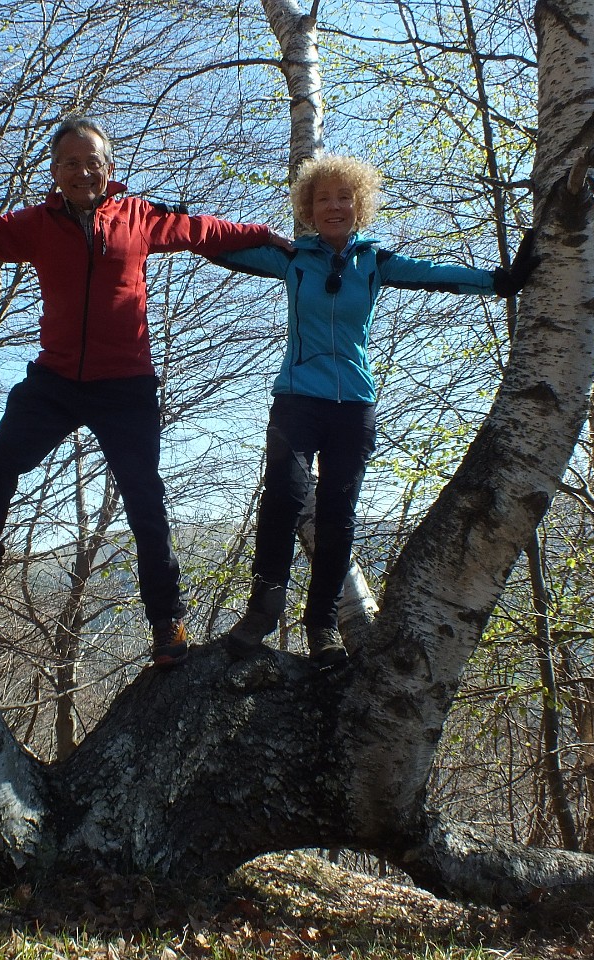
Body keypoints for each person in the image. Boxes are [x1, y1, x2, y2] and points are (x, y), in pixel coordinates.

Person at [0, 107, 292, 668]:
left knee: (145, 501)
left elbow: (204, 230)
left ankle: (167, 624)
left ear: (108, 167)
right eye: (68, 163)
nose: (80, 172)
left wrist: (263, 235)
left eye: (91, 161)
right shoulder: (36, 225)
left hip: (126, 385)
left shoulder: (139, 217)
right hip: (56, 379)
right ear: (54, 172)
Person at [212, 154, 537, 668]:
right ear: (309, 208)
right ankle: (264, 605)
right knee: (284, 494)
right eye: (323, 198)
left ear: (359, 204)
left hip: (354, 407)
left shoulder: (375, 261)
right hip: (298, 397)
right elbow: (222, 250)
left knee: (338, 518)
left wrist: (502, 281)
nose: (334, 205)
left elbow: (437, 275)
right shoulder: (293, 257)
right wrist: (170, 225)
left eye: (344, 196)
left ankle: (321, 626)